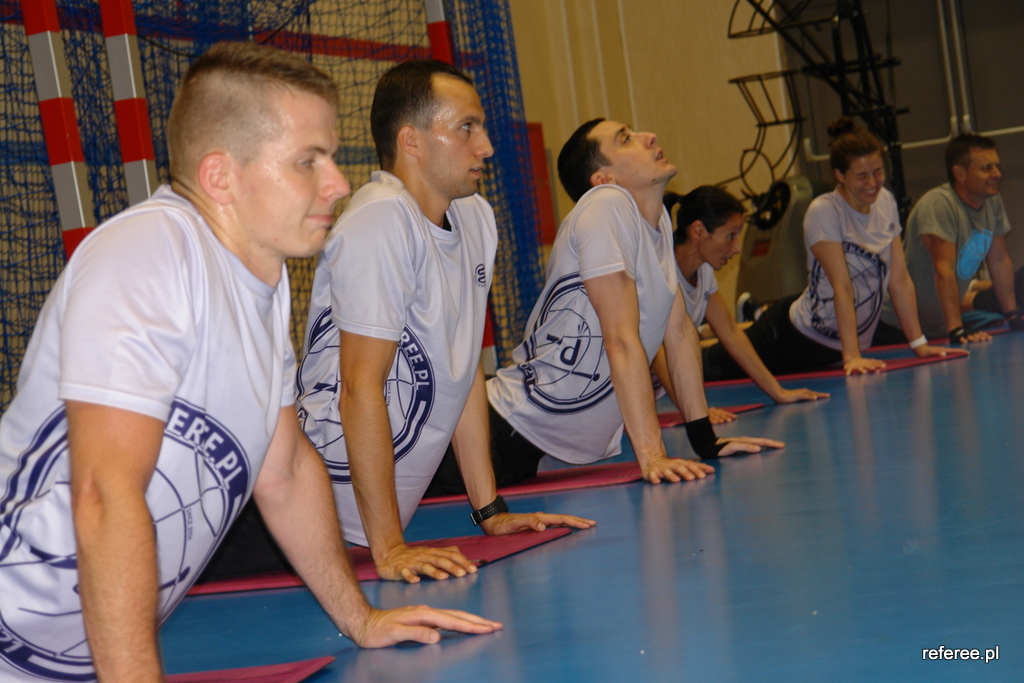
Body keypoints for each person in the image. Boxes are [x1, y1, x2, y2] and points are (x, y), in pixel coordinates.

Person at [0, 43, 503, 683]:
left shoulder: (260, 283)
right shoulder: (148, 253)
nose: (338, 183)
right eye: (307, 161)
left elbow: (285, 468)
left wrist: (361, 618)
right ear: (221, 177)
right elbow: (104, 496)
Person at [296, 60, 594, 586]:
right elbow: (360, 389)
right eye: (466, 128)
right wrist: (389, 547)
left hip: (359, 525)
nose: (487, 146)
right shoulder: (381, 219)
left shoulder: (475, 217)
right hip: (299, 512)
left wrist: (490, 510)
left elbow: (462, 372)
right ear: (411, 140)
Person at [428, 118, 783, 498]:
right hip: (493, 427)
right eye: (626, 139)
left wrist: (706, 441)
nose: (649, 136)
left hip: (518, 449)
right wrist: (652, 456)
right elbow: (620, 339)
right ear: (603, 179)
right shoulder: (606, 205)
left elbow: (679, 334)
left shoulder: (657, 224)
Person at [703, 118, 951, 381]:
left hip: (833, 347)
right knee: (713, 368)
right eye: (862, 175)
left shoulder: (885, 202)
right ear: (840, 175)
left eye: (878, 172)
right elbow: (841, 286)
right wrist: (852, 356)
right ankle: (693, 342)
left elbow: (899, 279)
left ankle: (729, 323)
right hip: (794, 335)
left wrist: (918, 344)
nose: (872, 182)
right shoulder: (824, 211)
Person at [665, 186, 829, 422]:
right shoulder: (662, 273)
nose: (737, 248)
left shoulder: (704, 270)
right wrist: (693, 409)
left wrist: (778, 391)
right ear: (698, 230)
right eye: (730, 236)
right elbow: (657, 353)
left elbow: (731, 332)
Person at [879, 133, 1024, 343]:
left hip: (937, 328)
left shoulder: (992, 201)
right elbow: (944, 270)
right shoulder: (939, 204)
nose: (997, 174)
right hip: (897, 327)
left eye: (996, 166)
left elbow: (999, 260)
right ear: (960, 173)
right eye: (986, 168)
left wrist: (1012, 315)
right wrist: (956, 329)